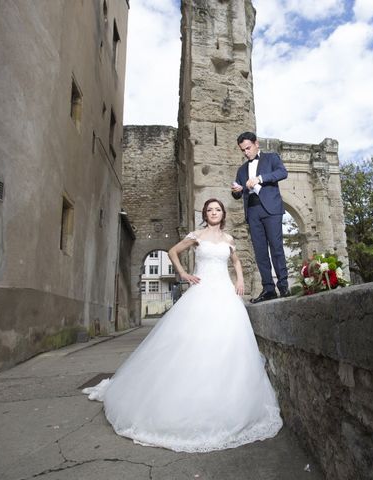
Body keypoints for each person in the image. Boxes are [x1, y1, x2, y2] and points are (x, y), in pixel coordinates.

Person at [83, 199, 283, 452]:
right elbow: (173, 251)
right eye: (210, 210)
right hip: (201, 291)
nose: (213, 213)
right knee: (193, 341)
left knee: (227, 342)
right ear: (205, 214)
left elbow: (236, 262)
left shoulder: (229, 239)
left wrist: (240, 281)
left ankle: (225, 399)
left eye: (217, 210)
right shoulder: (196, 235)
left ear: (222, 215)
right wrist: (184, 275)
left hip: (224, 292)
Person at [231, 131, 290, 303]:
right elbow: (237, 194)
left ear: (256, 144)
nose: (246, 152)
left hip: (271, 209)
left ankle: (284, 286)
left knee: (276, 248)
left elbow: (282, 173)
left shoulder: (271, 158)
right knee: (260, 252)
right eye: (243, 150)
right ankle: (268, 289)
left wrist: (260, 178)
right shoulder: (241, 170)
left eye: (248, 148)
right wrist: (237, 191)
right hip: (253, 211)